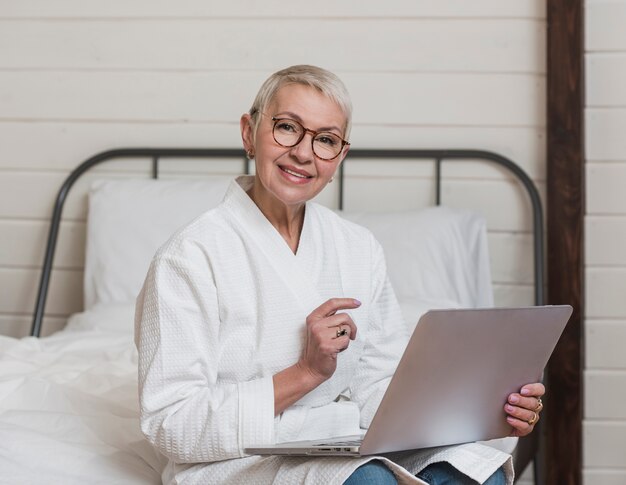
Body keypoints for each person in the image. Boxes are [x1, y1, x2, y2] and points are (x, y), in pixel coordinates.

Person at [135, 65, 545, 485]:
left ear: (340, 157)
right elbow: (172, 424)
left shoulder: (357, 248)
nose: (303, 153)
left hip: (343, 444)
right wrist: (306, 374)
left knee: (480, 475)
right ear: (248, 132)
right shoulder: (188, 258)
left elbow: (378, 389)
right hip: (237, 463)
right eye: (287, 127)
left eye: (326, 140)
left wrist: (486, 409)